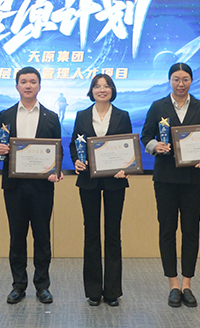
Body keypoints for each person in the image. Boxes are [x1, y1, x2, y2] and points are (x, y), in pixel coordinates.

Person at [140, 62, 200, 308]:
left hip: (194, 178)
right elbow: (145, 135)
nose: (181, 84)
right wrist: (154, 146)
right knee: (167, 230)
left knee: (191, 230)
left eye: (185, 79)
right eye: (176, 79)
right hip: (165, 178)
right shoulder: (157, 106)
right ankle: (172, 284)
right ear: (169, 81)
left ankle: (187, 284)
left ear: (191, 81)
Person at [0, 66, 63, 305]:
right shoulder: (5, 115)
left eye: (33, 81)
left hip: (42, 187)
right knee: (17, 237)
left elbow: (57, 149)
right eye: (24, 81)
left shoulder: (51, 117)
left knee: (42, 237)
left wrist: (56, 170)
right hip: (14, 187)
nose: (28, 85)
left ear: (40, 86)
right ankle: (18, 285)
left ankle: (42, 286)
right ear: (17, 86)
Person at [69, 74, 132, 307]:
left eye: (106, 86)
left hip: (115, 181)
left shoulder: (123, 115)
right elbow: (74, 145)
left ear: (112, 90)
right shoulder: (82, 115)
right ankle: (94, 291)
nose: (102, 90)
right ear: (91, 90)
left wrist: (126, 167)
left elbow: (128, 145)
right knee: (91, 233)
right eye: (97, 86)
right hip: (89, 181)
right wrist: (76, 161)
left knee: (113, 234)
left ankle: (112, 291)